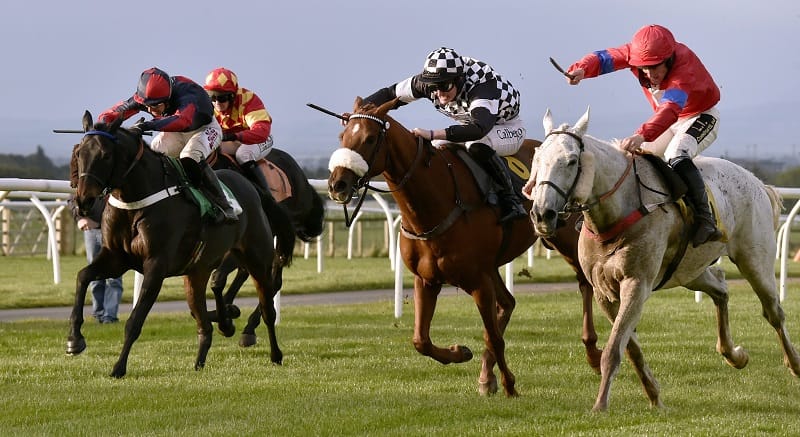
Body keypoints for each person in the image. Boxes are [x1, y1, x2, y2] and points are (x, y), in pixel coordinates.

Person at [564, 24, 722, 247]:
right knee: (634, 158)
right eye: (643, 68)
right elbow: (603, 58)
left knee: (676, 154)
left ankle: (706, 220)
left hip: (701, 116)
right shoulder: (634, 54)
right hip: (669, 121)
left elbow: (670, 109)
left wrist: (641, 134)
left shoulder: (684, 67)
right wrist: (581, 69)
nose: (649, 74)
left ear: (668, 59)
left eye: (655, 68)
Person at [360, 47, 527, 223]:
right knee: (438, 147)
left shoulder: (482, 86)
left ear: (459, 79)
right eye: (434, 87)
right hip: (472, 124)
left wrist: (432, 134)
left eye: (444, 86)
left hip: (507, 127)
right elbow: (390, 94)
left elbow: (478, 129)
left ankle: (512, 200)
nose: (439, 93)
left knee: (475, 143)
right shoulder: (429, 82)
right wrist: (359, 112)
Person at [97, 67, 237, 224]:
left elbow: (182, 120)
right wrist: (101, 126)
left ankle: (223, 205)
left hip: (204, 129)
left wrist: (146, 126)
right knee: (152, 157)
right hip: (176, 132)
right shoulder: (148, 97)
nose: (150, 110)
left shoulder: (189, 94)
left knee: (190, 156)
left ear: (168, 98)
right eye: (146, 106)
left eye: (155, 106)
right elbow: (114, 112)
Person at [203, 67, 275, 195]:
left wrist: (233, 135)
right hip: (231, 139)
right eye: (212, 97)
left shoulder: (248, 100)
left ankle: (265, 195)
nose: (217, 102)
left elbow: (261, 131)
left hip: (257, 139)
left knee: (243, 155)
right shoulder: (205, 104)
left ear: (232, 96)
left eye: (222, 98)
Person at [68, 195, 123, 324]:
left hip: (113, 230)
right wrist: (80, 218)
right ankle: (99, 314)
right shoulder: (89, 181)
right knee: (94, 275)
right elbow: (72, 199)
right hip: (92, 232)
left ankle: (110, 316)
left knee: (114, 276)